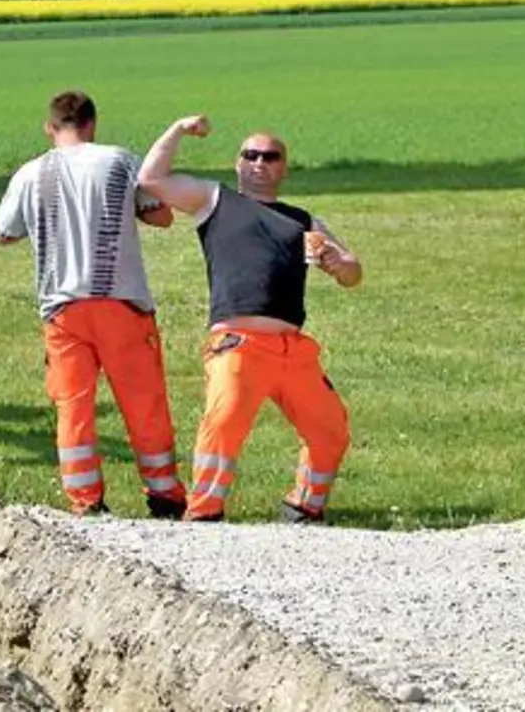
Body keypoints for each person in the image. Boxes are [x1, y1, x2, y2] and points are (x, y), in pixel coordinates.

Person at [137, 116, 363, 524]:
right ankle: (204, 513)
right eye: (250, 155)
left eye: (270, 157)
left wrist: (337, 262)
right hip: (237, 343)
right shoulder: (214, 201)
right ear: (237, 164)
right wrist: (178, 130)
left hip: (293, 350)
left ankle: (305, 507)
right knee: (223, 424)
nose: (259, 162)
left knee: (331, 430)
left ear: (284, 168)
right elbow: (151, 180)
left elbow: (353, 272)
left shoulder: (302, 221)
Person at [0, 89, 187, 519]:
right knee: (144, 402)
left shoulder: (31, 172)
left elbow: (4, 232)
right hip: (123, 302)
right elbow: (161, 215)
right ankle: (164, 495)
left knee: (74, 406)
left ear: (50, 128)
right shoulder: (119, 160)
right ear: (92, 124)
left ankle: (86, 500)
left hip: (62, 309)